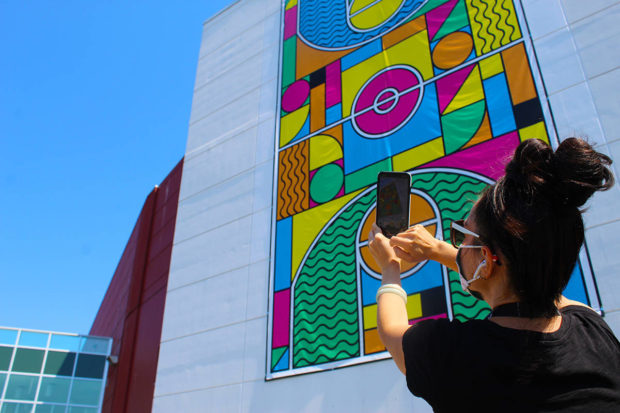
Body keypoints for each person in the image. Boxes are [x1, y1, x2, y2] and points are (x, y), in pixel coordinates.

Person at [368, 138, 620, 412]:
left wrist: (389, 266)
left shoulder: (455, 355)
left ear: (487, 261)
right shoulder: (593, 330)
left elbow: (392, 331)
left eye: (463, 236)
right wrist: (438, 250)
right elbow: (538, 281)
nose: (459, 244)